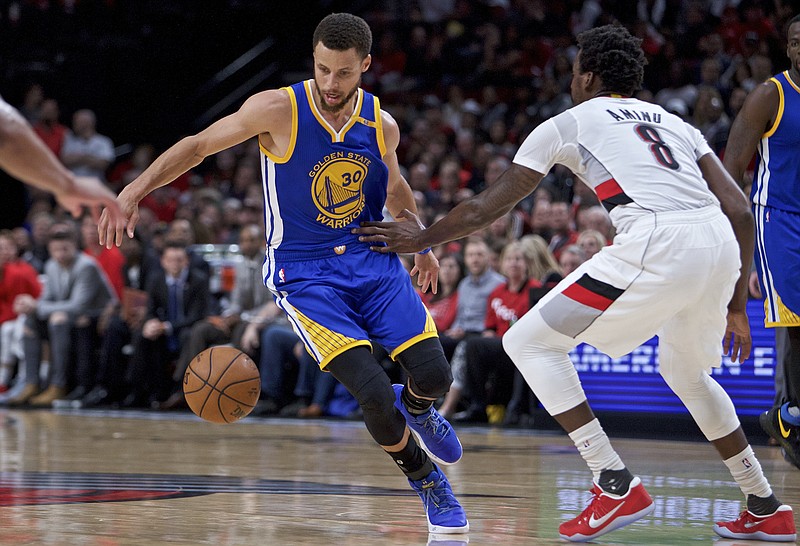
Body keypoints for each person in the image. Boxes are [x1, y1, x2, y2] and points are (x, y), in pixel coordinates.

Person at [355, 24, 795, 542]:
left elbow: (484, 208)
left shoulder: (568, 122)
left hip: (657, 237)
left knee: (526, 340)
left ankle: (613, 482)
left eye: (571, 72)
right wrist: (738, 303)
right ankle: (764, 502)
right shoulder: (676, 124)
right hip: (719, 242)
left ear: (586, 76)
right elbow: (741, 210)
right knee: (687, 373)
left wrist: (421, 237)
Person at [98, 13, 468, 534]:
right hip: (305, 272)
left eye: (343, 73)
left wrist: (422, 243)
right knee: (374, 395)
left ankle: (422, 409)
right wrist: (133, 191)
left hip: (371, 257)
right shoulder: (277, 108)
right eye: (322, 70)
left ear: (364, 66)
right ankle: (428, 481)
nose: (330, 84)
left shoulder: (380, 123)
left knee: (434, 377)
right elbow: (200, 144)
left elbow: (395, 185)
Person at [722, 14, 800, 471]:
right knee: (795, 319)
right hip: (778, 218)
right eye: (795, 42)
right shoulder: (770, 94)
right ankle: (789, 413)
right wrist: (730, 231)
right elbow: (731, 163)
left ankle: (789, 415)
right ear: (787, 49)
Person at [0, 96, 122, 230]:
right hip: (69, 183)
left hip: (94, 182)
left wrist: (67, 184)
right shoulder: (69, 139)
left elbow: (103, 163)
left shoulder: (98, 140)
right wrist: (68, 185)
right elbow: (6, 129)